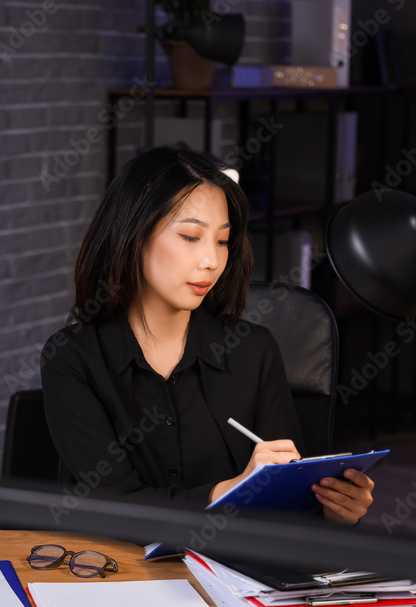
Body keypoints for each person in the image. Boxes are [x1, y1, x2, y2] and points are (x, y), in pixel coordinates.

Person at [40, 147, 374, 525]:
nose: (211, 261)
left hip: (232, 573)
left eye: (221, 241)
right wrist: (231, 489)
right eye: (190, 236)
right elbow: (112, 505)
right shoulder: (72, 359)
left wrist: (336, 510)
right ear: (133, 235)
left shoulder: (254, 351)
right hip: (113, 572)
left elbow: (290, 504)